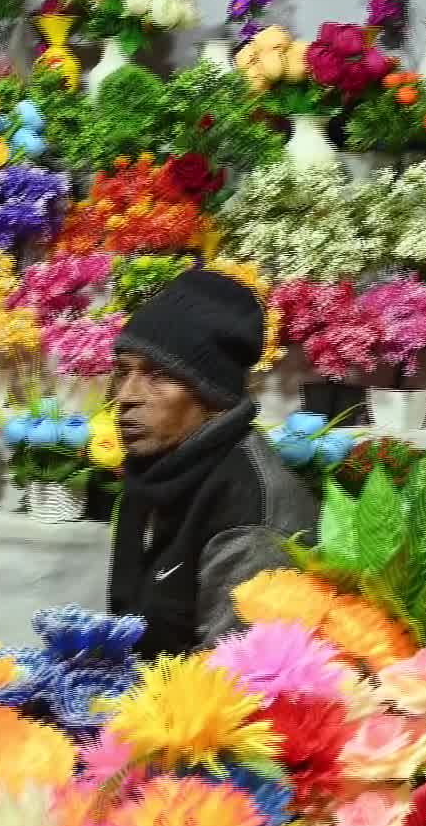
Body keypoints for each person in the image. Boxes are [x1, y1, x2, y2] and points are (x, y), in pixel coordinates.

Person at [106, 269, 319, 657]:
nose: (126, 396)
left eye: (158, 375)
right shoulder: (158, 469)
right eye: (123, 372)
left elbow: (235, 676)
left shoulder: (252, 517)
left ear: (212, 396)